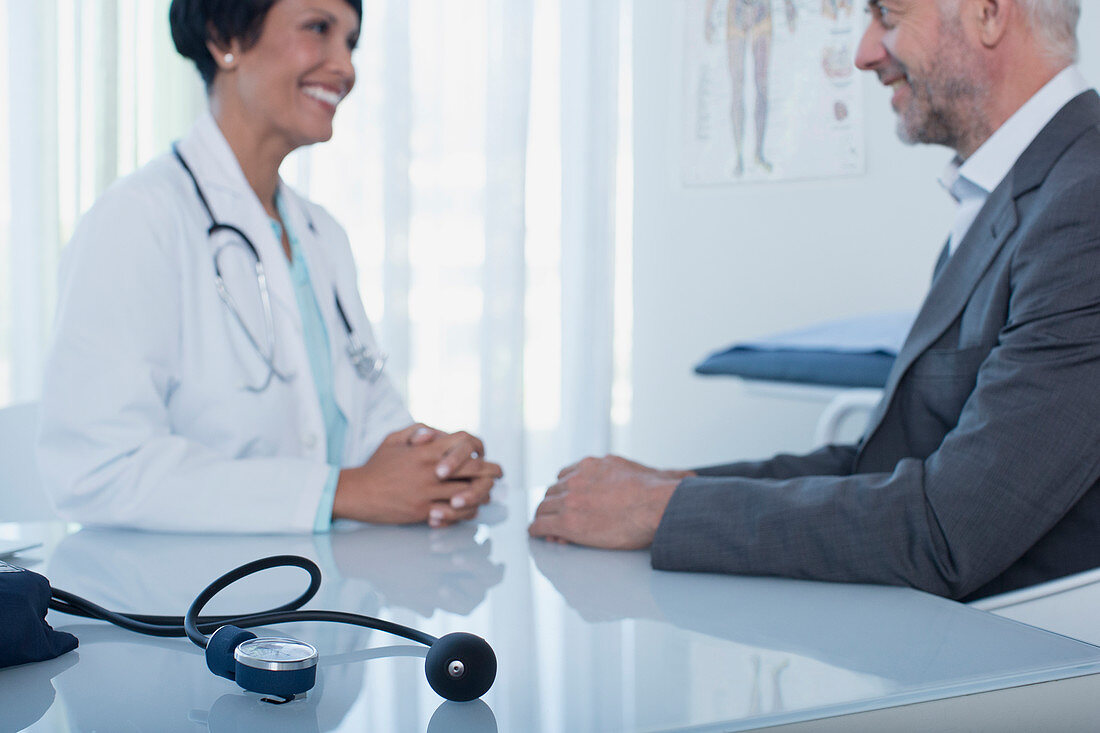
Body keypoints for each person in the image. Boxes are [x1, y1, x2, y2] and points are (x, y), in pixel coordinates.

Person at [531, 0, 1100, 601]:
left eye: (888, 15)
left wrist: (662, 508)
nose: (863, 52)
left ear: (988, 13)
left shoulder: (1083, 206)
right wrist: (668, 485)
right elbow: (891, 460)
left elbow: (949, 526)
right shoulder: (1016, 196)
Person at [37, 0, 502, 533]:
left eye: (350, 42)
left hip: (325, 590)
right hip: (184, 601)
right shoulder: (137, 220)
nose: (345, 67)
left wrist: (437, 464)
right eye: (318, 29)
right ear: (223, 38)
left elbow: (365, 419)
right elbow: (98, 469)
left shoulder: (321, 234)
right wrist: (343, 491)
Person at [704, 0, 797, 175]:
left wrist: (789, 6)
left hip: (761, 13)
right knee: (737, 87)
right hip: (737, 14)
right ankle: (739, 155)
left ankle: (758, 153)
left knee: (761, 85)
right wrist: (708, 17)